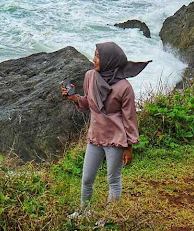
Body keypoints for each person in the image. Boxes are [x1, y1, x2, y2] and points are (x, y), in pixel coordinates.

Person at [62, 41, 150, 211]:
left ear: (109, 60)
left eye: (98, 56)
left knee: (113, 181)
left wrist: (128, 146)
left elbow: (129, 118)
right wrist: (74, 98)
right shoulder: (90, 76)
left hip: (116, 140)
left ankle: (108, 219)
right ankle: (83, 212)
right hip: (95, 137)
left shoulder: (124, 87)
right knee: (87, 179)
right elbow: (88, 102)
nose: (94, 59)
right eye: (95, 54)